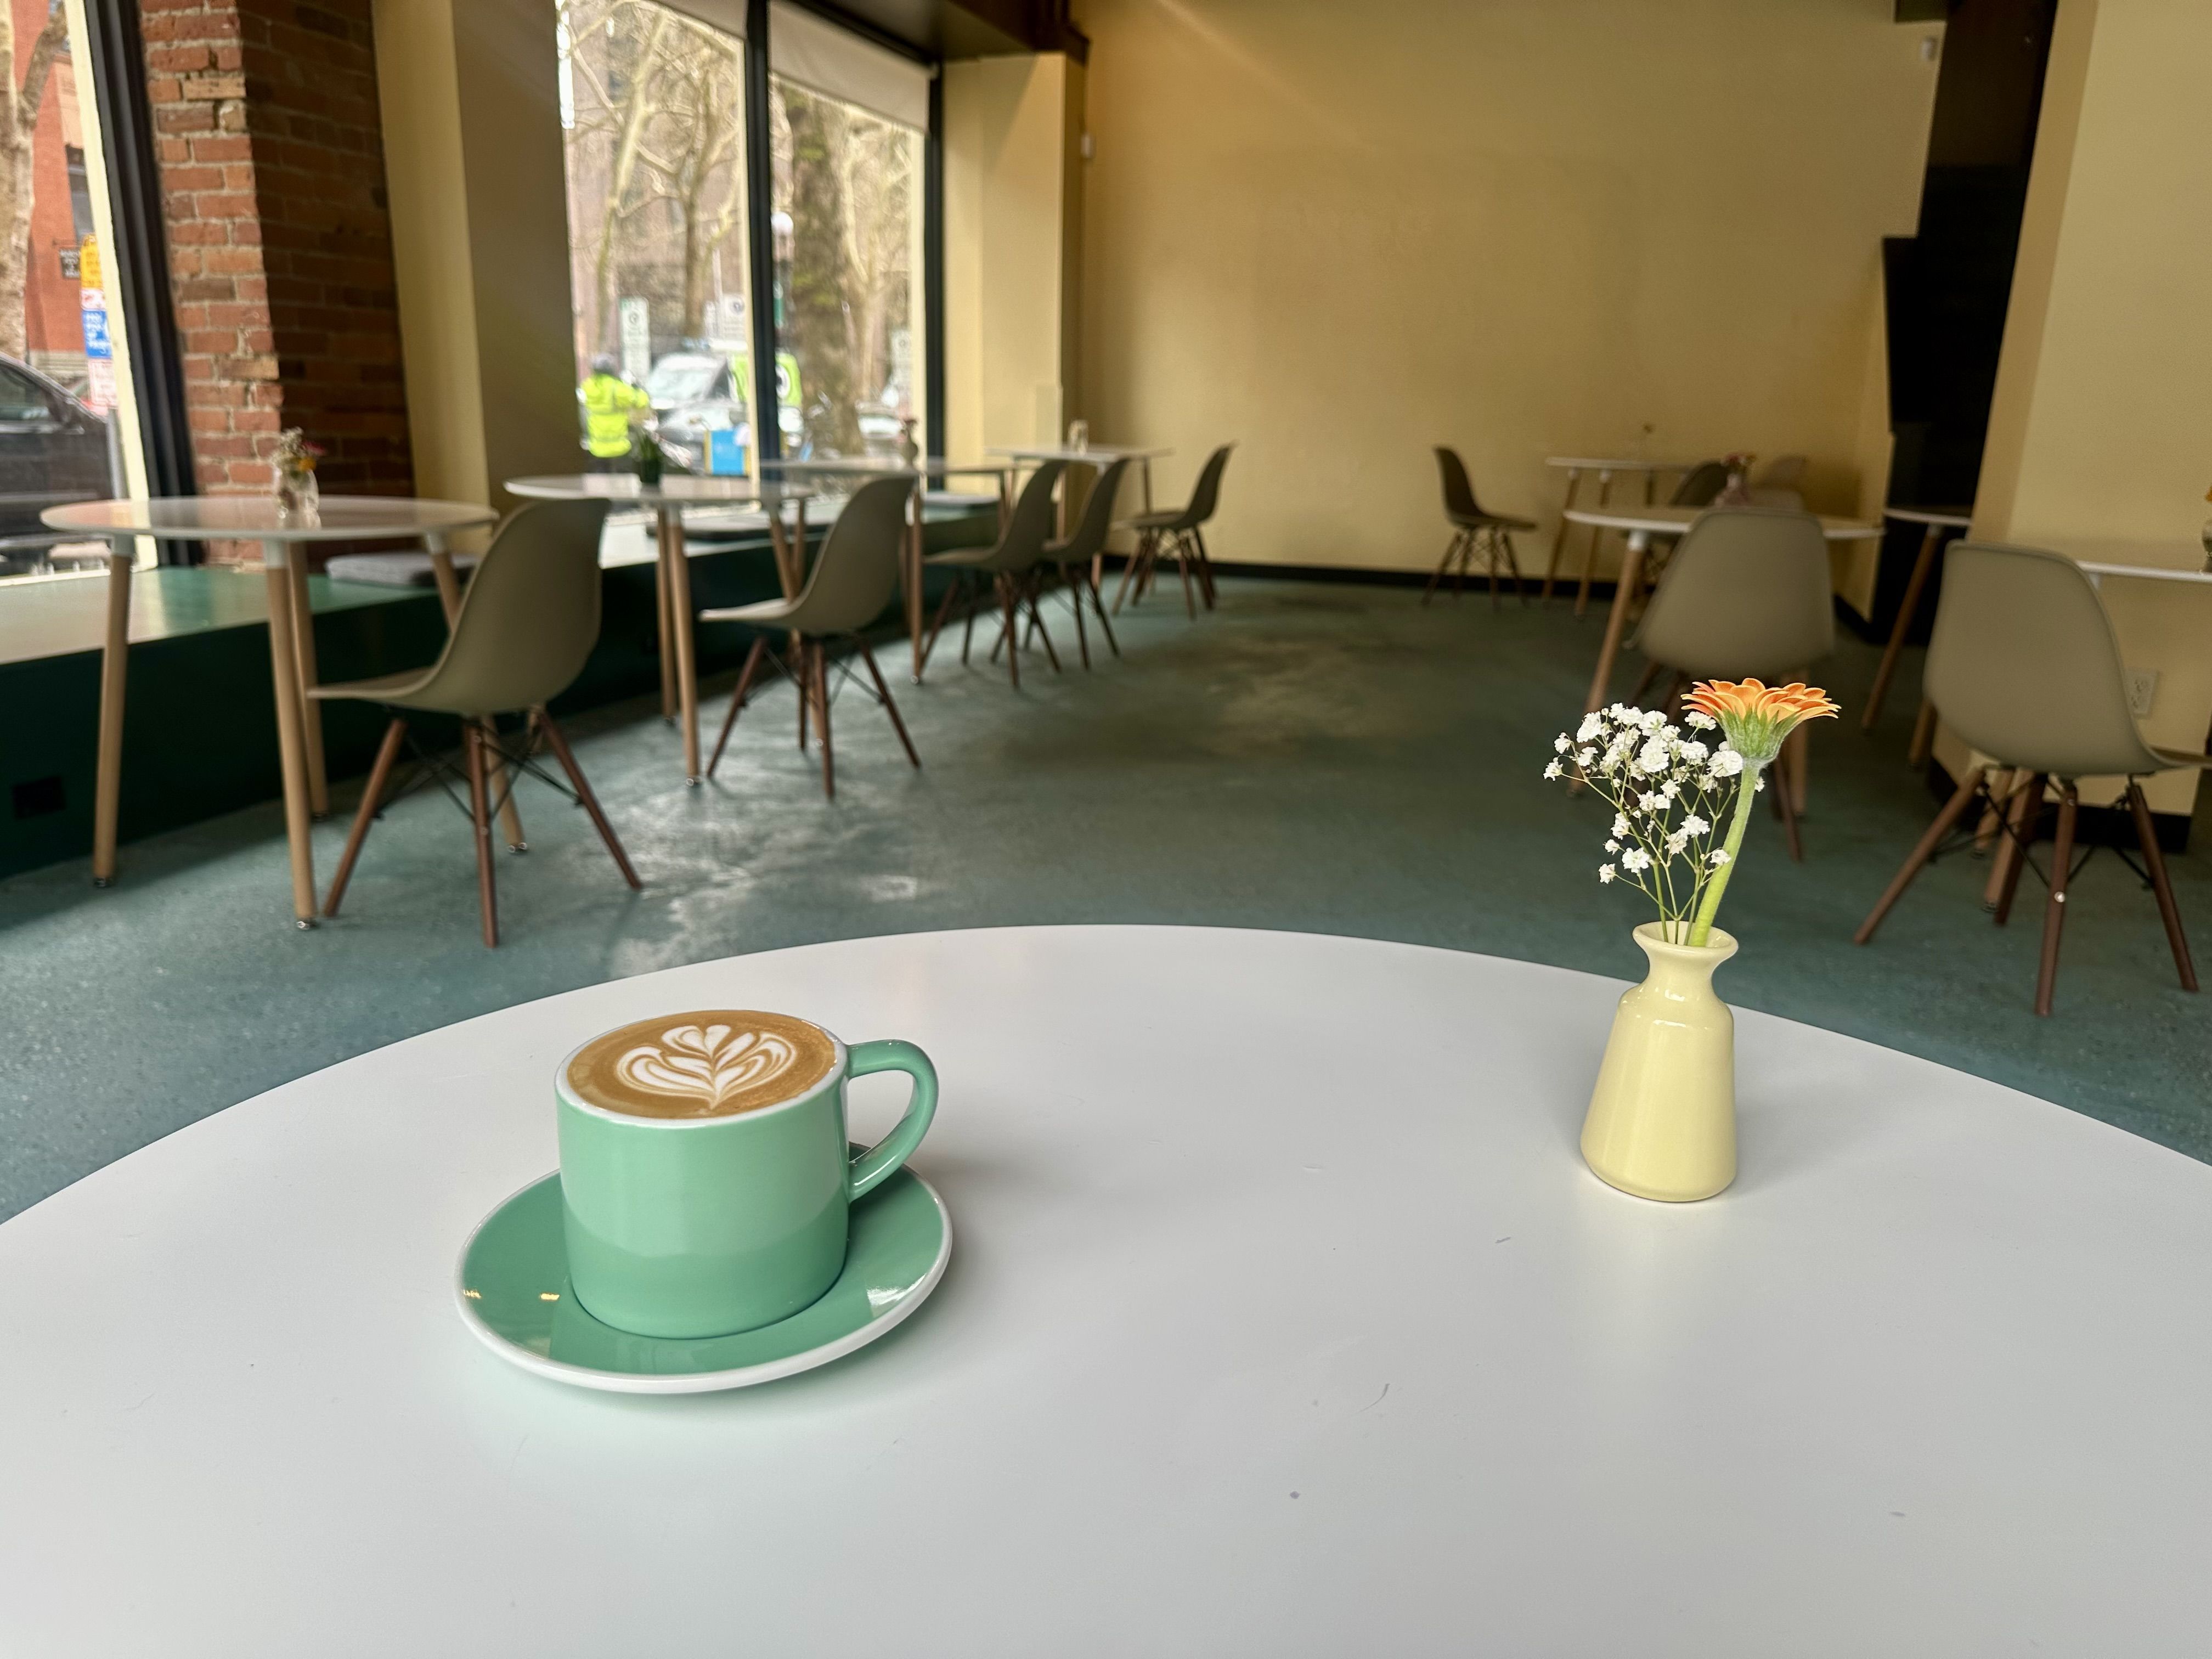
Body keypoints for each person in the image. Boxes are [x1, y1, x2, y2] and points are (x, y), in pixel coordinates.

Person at [579, 354, 650, 471]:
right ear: (611, 370)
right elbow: (642, 401)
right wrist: (636, 386)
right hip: (619, 447)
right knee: (621, 483)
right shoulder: (617, 388)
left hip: (596, 447)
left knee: (600, 482)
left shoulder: (588, 386)